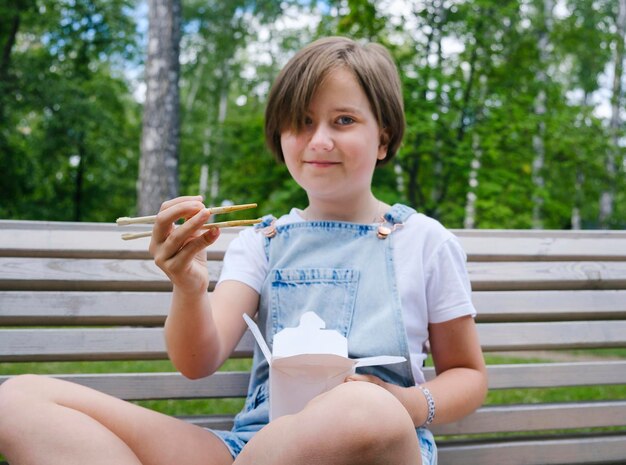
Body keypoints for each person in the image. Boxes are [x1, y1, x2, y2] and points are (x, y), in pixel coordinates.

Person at [0, 36, 487, 465]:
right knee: (18, 401)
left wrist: (402, 405)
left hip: (377, 445)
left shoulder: (425, 241)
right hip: (253, 449)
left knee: (360, 412)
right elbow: (197, 361)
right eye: (301, 122)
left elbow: (467, 374)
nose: (319, 140)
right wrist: (189, 288)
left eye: (343, 120)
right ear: (280, 135)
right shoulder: (262, 242)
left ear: (382, 137)